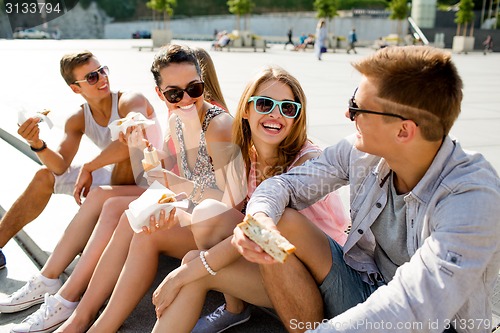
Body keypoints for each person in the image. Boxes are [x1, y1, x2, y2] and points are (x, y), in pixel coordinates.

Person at [150, 46, 499, 333]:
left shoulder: (470, 199)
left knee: (203, 265)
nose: (347, 115)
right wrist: (260, 220)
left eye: (358, 108)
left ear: (404, 130)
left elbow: (413, 307)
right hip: (363, 281)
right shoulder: (358, 152)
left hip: (428, 324)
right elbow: (284, 186)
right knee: (276, 225)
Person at [142, 65, 349, 333]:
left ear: (297, 117)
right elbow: (224, 213)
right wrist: (176, 215)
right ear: (247, 110)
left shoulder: (308, 161)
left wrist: (183, 274)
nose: (276, 114)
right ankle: (235, 309)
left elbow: (258, 233)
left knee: (192, 269)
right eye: (265, 104)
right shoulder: (245, 155)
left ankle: (234, 308)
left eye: (288, 108)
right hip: (274, 262)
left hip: (319, 280)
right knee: (205, 219)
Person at [54, 43, 236, 333]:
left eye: (194, 88)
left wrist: (173, 199)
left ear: (203, 83)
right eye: (175, 93)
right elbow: (154, 178)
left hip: (221, 228)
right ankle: (81, 319)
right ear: (160, 93)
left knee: (144, 233)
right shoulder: (176, 119)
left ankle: (89, 323)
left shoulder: (219, 124)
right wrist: (140, 146)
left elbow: (228, 199)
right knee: (134, 220)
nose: (186, 99)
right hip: (195, 215)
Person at [0, 50, 154, 270]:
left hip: (150, 179)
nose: (102, 79)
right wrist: (37, 143)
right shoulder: (79, 118)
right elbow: (60, 165)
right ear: (76, 88)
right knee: (44, 176)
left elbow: (133, 139)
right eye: (92, 77)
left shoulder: (130, 99)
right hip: (117, 178)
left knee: (128, 154)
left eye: (102, 71)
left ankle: (90, 234)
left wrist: (90, 167)